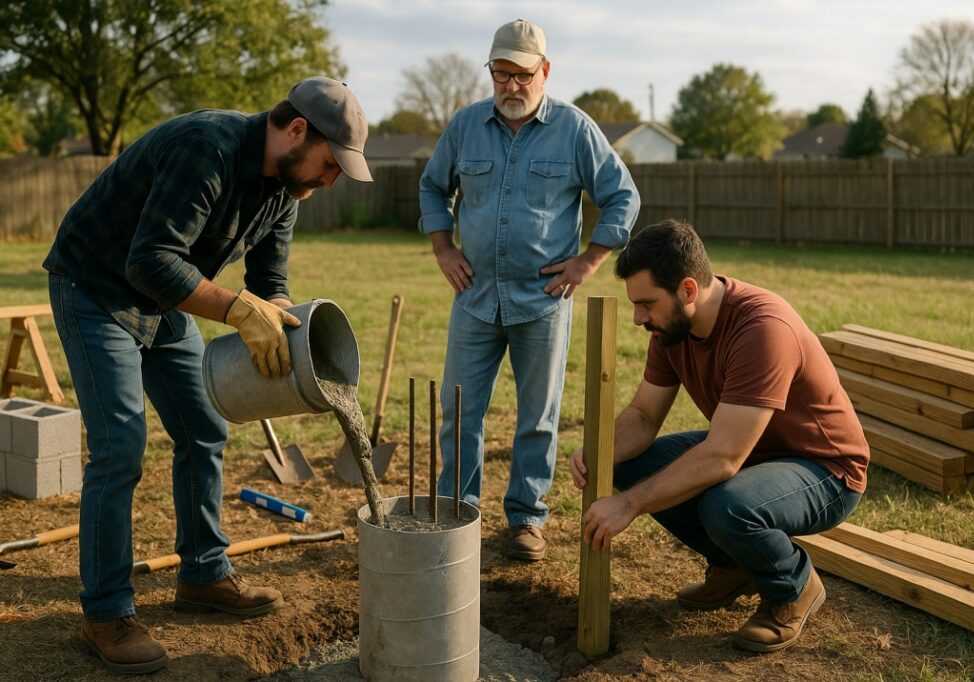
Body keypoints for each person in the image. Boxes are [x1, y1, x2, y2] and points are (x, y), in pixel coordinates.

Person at [42, 76, 372, 673]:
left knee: (204, 428)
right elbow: (149, 259)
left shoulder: (283, 192)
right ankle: (106, 614)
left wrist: (291, 337)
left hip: (164, 299)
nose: (330, 181)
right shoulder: (209, 147)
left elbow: (271, 286)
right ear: (297, 131)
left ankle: (202, 575)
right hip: (95, 287)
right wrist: (237, 309)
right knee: (120, 446)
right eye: (330, 165)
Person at [571, 219, 869, 652]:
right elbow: (643, 413)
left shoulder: (762, 328)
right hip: (754, 453)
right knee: (629, 464)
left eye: (647, 304)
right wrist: (598, 452)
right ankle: (734, 566)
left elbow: (724, 458)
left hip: (825, 470)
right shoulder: (672, 328)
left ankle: (793, 587)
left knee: (726, 505)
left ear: (688, 290)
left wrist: (628, 505)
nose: (638, 318)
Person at [419, 18, 640, 561]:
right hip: (474, 299)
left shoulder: (575, 129)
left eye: (522, 74)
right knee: (460, 411)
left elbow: (622, 197)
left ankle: (526, 519)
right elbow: (431, 186)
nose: (511, 86)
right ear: (491, 72)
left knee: (537, 417)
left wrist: (590, 260)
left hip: (543, 302)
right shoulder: (465, 126)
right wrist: (444, 249)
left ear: (545, 71)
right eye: (501, 74)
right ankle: (458, 515)